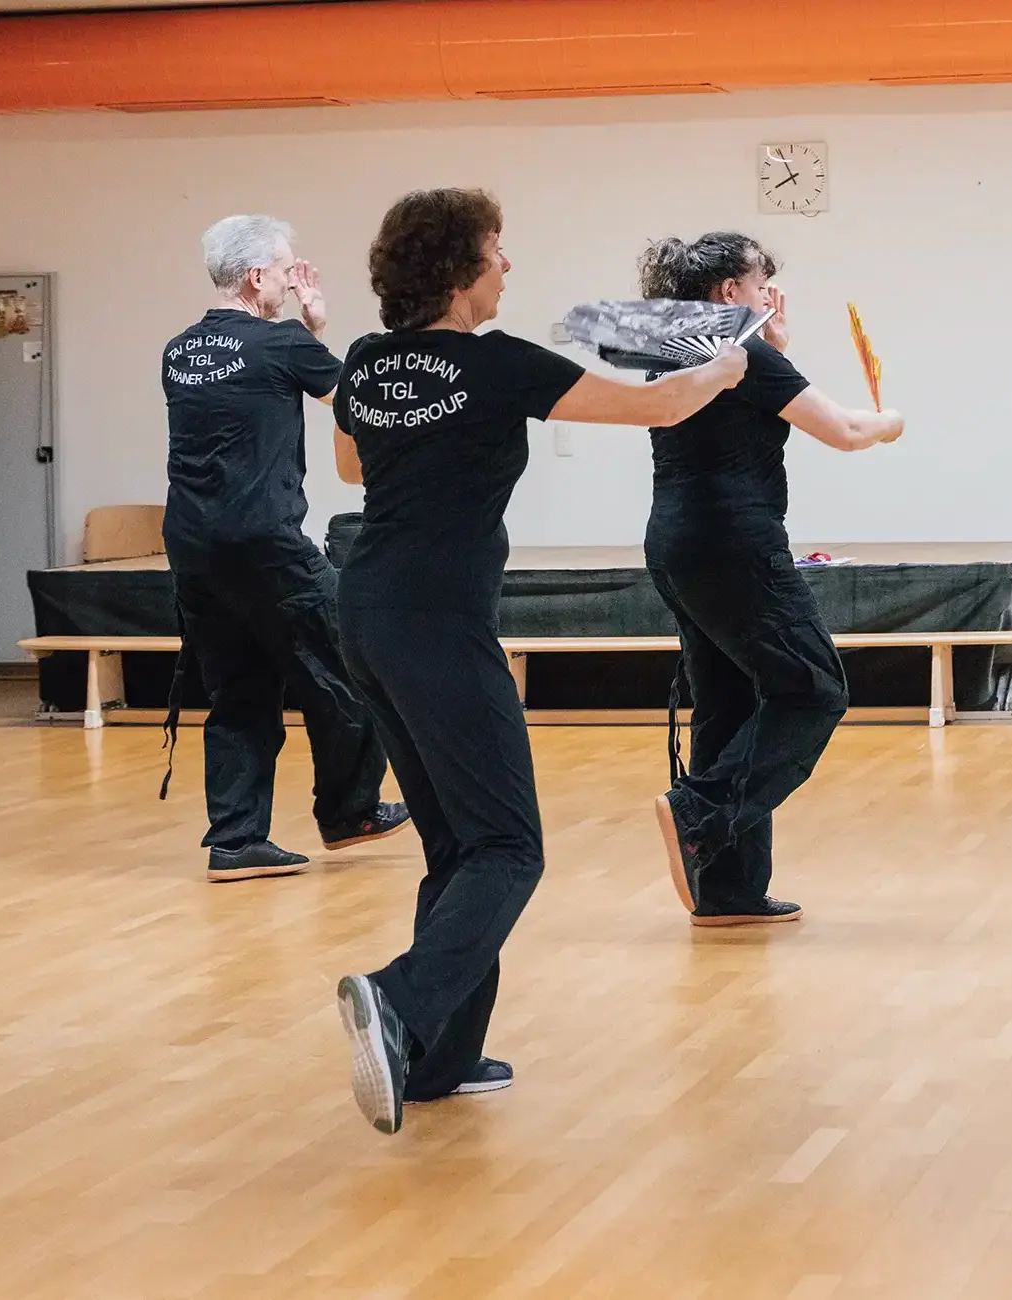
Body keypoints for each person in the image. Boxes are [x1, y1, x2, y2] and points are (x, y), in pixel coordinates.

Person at [331, 190, 749, 1133]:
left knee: (459, 847)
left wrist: (425, 431)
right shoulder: (500, 364)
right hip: (438, 623)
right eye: (497, 252)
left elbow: (353, 468)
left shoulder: (365, 361)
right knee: (511, 848)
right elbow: (664, 404)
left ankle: (438, 1059)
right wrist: (730, 361)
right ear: (459, 272)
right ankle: (398, 1004)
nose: (507, 267)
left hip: (363, 612)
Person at [637, 232, 903, 927]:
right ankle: (698, 812)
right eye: (760, 285)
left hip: (676, 545)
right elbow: (844, 430)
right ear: (730, 293)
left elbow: (745, 414)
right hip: (734, 545)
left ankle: (727, 890)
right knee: (812, 690)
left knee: (727, 705)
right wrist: (889, 423)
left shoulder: (679, 351)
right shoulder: (741, 352)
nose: (766, 296)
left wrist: (775, 343)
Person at [160, 214, 407, 883]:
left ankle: (237, 841)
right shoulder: (281, 344)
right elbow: (353, 400)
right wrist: (317, 326)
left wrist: (307, 332)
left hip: (192, 546)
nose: (293, 281)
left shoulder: (179, 352)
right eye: (287, 270)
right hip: (266, 542)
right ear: (257, 276)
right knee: (351, 665)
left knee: (238, 691)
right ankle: (350, 809)